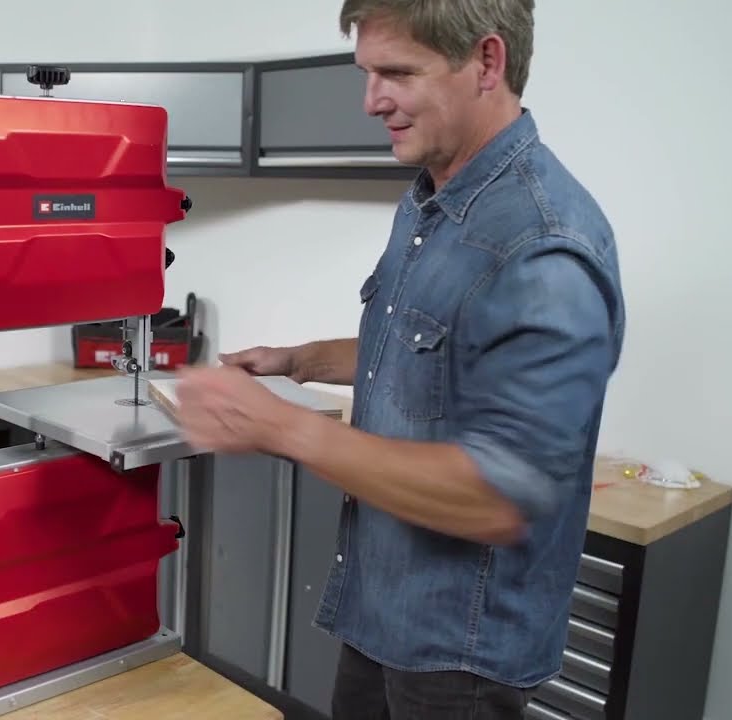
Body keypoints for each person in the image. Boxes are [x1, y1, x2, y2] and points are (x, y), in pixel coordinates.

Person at [172, 1, 626, 718]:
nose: (371, 100)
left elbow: (499, 496)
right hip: (381, 607)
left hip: (459, 654)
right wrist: (299, 360)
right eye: (367, 72)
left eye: (397, 73)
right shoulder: (432, 199)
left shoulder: (542, 247)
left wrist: (281, 428)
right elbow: (434, 348)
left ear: (487, 61)